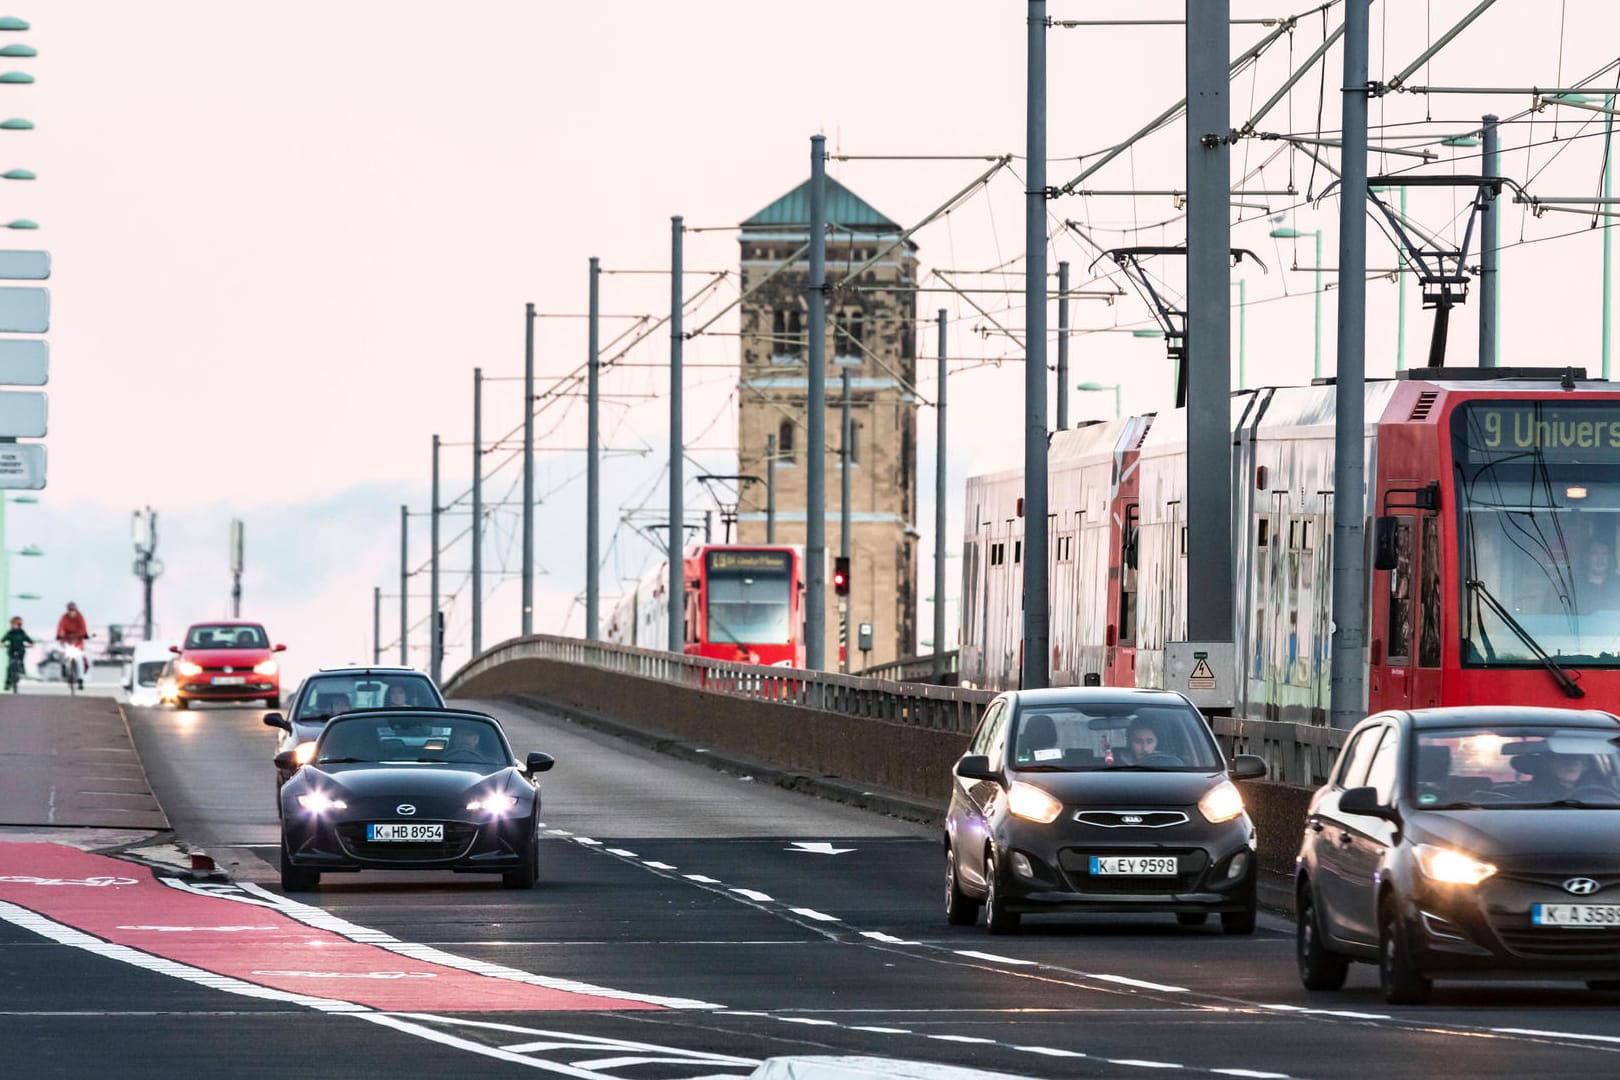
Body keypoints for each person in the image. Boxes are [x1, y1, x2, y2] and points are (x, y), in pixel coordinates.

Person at [55, 602, 89, 689]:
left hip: (77, 643)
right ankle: (64, 667)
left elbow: (83, 629)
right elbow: (60, 628)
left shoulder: (80, 617)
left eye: (73, 610)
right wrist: (59, 635)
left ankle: (80, 679)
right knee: (63, 654)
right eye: (70, 610)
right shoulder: (64, 618)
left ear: (76, 610)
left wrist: (83, 634)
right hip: (67, 641)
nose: (71, 612)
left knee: (79, 660)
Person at [1580, 540, 1620, 612]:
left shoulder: (1618, 584)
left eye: (1604, 554)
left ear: (1609, 558)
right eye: (1595, 554)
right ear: (1586, 557)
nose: (1600, 559)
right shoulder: (1574, 585)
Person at [3, 616, 32, 691]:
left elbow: (28, 639)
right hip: (11, 650)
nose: (14, 626)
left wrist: (30, 643)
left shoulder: (22, 633)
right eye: (13, 624)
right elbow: (4, 639)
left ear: (19, 625)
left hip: (20, 650)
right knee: (10, 666)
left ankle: (21, 669)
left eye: (16, 624)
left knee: (21, 660)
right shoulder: (10, 633)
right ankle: (8, 683)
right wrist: (2, 643)